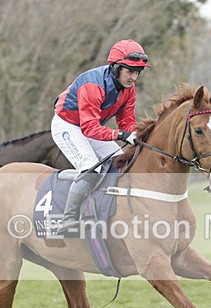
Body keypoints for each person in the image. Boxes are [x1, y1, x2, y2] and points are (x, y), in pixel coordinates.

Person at [51, 39, 151, 232]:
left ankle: (105, 211)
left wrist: (136, 133)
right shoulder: (93, 85)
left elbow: (127, 122)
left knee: (118, 162)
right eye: (130, 71)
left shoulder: (129, 89)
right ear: (116, 68)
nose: (134, 78)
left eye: (137, 72)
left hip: (91, 126)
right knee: (90, 166)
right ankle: (67, 218)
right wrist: (121, 135)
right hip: (68, 125)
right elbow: (89, 128)